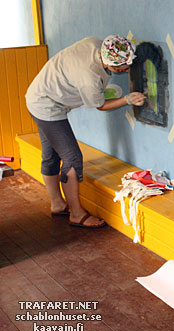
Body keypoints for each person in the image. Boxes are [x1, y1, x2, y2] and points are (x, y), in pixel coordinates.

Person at [25, 35, 146, 228]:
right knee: (72, 158)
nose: (127, 69)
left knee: (51, 156)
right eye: (124, 67)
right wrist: (127, 99)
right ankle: (76, 213)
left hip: (39, 93)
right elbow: (100, 105)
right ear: (112, 65)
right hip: (47, 106)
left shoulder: (97, 43)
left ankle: (57, 204)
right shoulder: (89, 77)